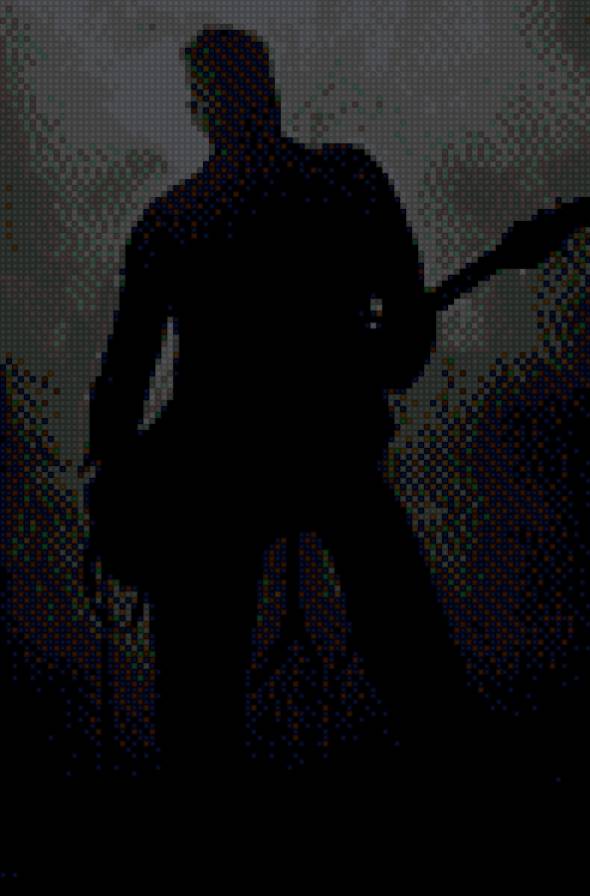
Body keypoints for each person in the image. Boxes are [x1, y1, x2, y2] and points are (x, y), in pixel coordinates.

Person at [85, 27, 474, 776]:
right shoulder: (344, 182)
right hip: (316, 451)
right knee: (410, 653)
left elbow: (124, 380)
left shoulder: (174, 219)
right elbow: (405, 342)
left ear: (199, 109)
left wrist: (116, 474)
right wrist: (363, 360)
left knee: (200, 700)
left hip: (220, 470)